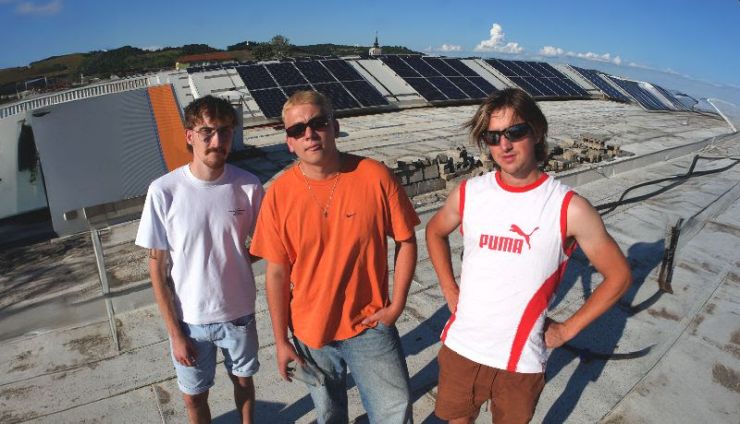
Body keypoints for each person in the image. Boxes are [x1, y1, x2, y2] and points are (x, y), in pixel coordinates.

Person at [425, 88, 631, 424]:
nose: (504, 145)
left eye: (515, 132)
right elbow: (434, 231)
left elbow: (619, 276)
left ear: (537, 131)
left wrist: (566, 331)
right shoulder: (469, 193)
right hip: (462, 348)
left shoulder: (569, 208)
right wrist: (449, 288)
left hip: (520, 363)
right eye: (493, 137)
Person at [249, 90, 419, 424]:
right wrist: (281, 340)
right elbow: (277, 273)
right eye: (297, 130)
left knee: (394, 411)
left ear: (335, 126)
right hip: (310, 332)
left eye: (318, 123)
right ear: (289, 142)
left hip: (369, 325)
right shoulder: (279, 195)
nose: (309, 134)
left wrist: (396, 305)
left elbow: (406, 240)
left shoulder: (374, 175)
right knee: (329, 415)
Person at [135, 95, 263, 424]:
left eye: (225, 132)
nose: (217, 141)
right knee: (193, 397)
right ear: (189, 136)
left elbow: (266, 243)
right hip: (188, 321)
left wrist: (233, 261)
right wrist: (175, 333)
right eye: (207, 132)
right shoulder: (164, 191)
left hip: (239, 315)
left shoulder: (248, 186)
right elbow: (157, 269)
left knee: (244, 383)